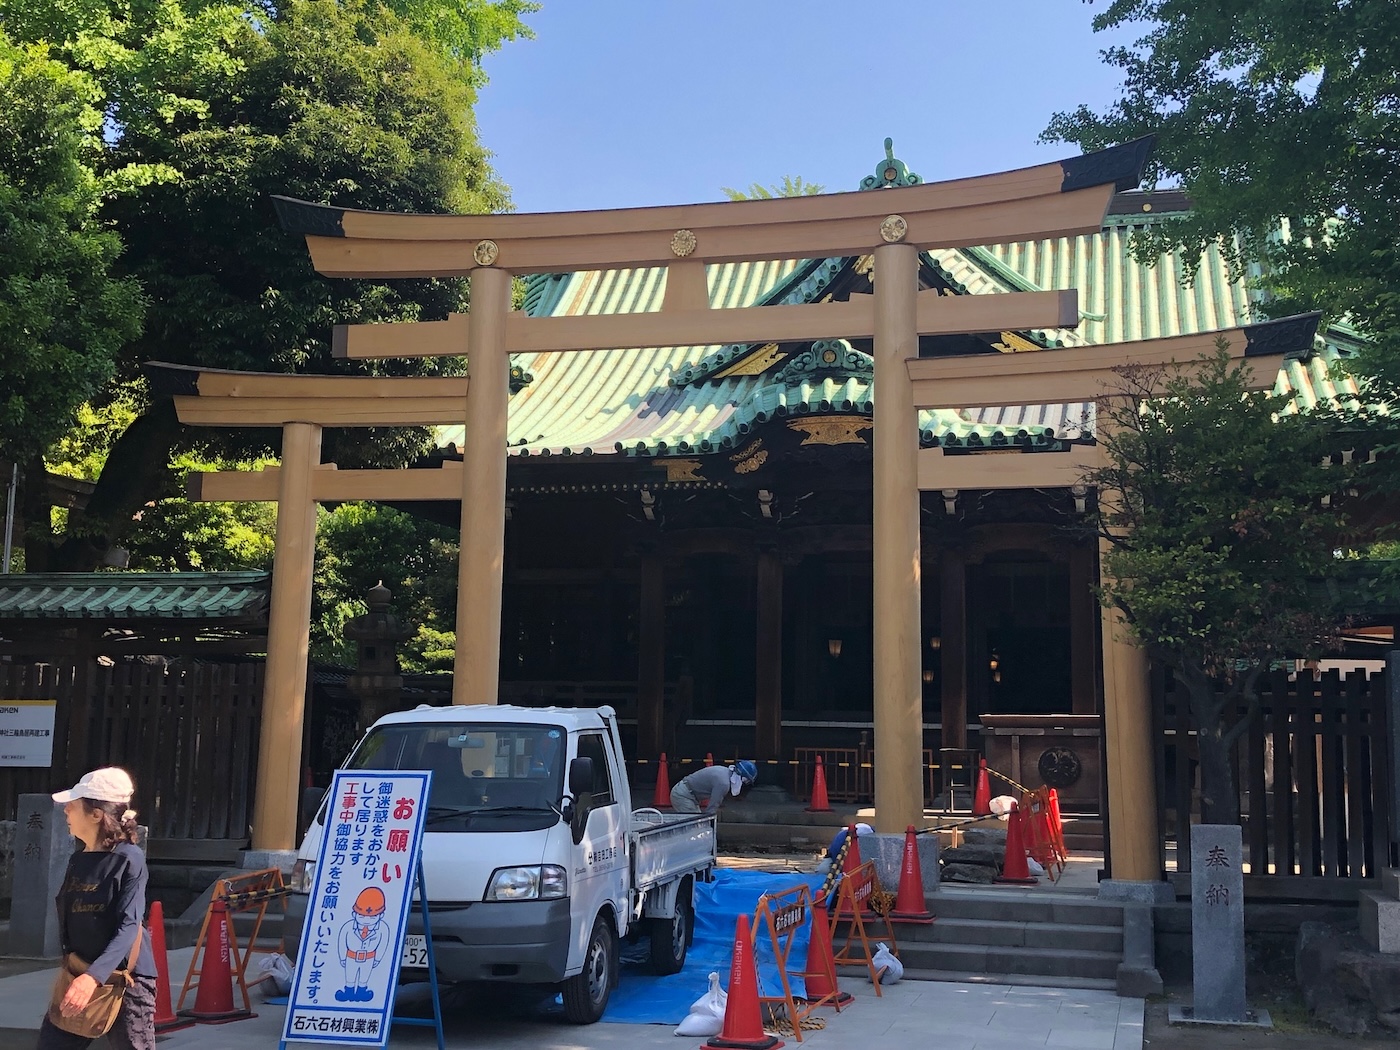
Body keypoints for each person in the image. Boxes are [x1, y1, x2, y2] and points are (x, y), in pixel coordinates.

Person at [38, 767, 158, 1050]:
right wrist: (77, 972)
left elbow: (130, 924)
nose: (66, 809)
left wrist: (93, 977)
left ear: (96, 814)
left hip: (126, 981)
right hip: (79, 975)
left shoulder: (129, 858)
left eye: (74, 804)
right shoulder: (77, 860)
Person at [669, 760, 757, 815]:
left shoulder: (724, 771)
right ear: (743, 778)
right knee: (694, 827)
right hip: (683, 796)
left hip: (686, 793)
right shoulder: (724, 783)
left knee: (697, 825)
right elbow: (711, 809)